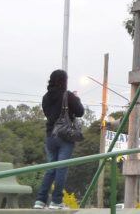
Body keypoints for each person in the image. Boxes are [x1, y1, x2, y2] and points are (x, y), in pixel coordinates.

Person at [34, 69, 84, 209]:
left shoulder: (45, 97)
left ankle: (40, 201)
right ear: (64, 81)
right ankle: (56, 201)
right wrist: (76, 98)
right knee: (61, 168)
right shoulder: (67, 95)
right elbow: (80, 112)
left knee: (50, 169)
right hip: (65, 137)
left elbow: (48, 114)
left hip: (50, 136)